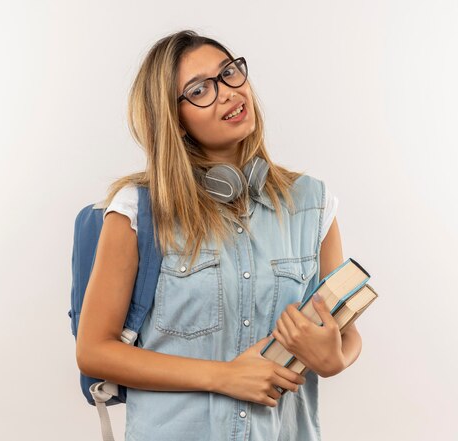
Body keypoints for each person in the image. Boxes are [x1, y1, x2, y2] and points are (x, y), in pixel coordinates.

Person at [76, 29, 363, 441]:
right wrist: (224, 377)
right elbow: (94, 350)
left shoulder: (312, 204)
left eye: (229, 73)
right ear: (173, 118)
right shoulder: (138, 211)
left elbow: (345, 327)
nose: (228, 92)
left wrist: (336, 358)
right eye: (199, 90)